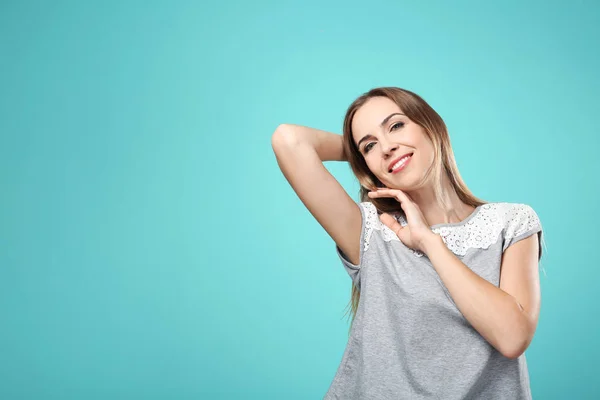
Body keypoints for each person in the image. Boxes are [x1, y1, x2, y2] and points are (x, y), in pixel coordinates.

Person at [270, 87, 543, 399]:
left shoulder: (511, 222)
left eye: (396, 126)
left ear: (432, 127)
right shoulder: (371, 230)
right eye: (370, 145)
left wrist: (430, 243)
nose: (386, 147)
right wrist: (366, 156)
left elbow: (512, 338)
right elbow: (288, 140)